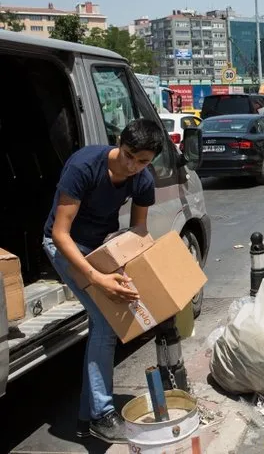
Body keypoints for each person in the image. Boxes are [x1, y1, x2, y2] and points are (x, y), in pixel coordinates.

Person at [43, 119, 165, 442]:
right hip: (64, 246)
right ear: (119, 143)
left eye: (143, 162)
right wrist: (98, 279)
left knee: (110, 316)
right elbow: (59, 233)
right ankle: (101, 414)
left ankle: (88, 422)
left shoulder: (142, 180)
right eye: (129, 156)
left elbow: (139, 232)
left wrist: (133, 272)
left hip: (100, 248)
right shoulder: (84, 166)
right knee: (104, 319)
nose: (133, 166)